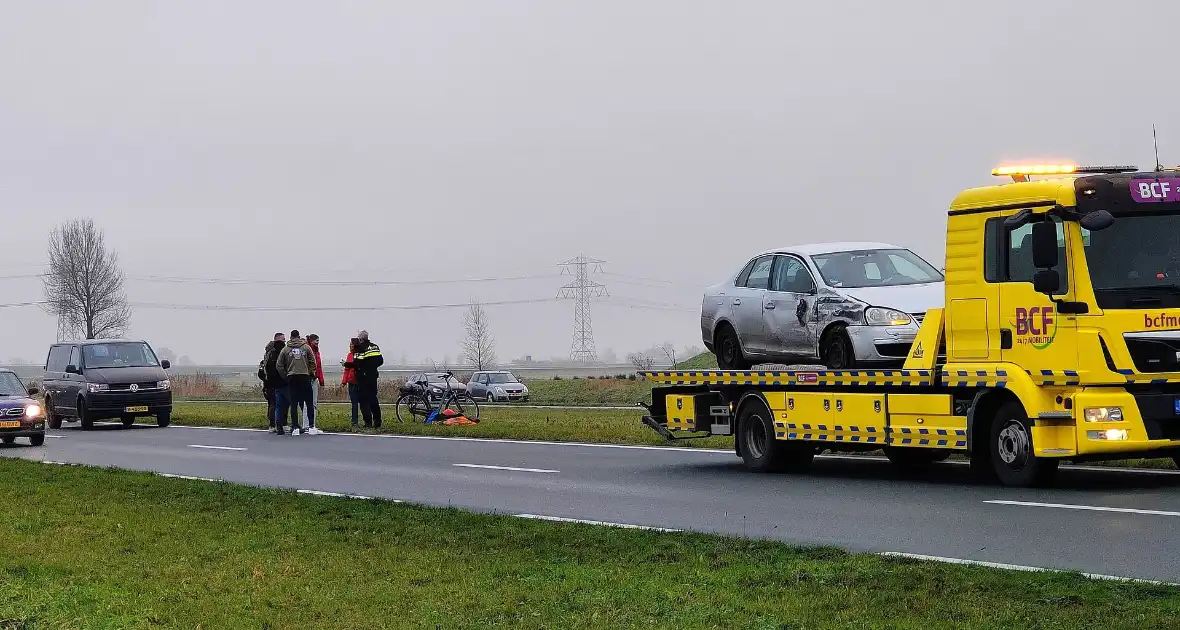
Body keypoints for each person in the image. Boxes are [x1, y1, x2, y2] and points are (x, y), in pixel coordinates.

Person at [275, 329, 319, 436]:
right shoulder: (306, 347)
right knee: (308, 402)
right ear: (299, 337)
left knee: (294, 403)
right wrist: (310, 372)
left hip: (292, 377)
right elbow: (313, 362)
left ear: (290, 337)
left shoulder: (285, 349)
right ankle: (312, 426)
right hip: (305, 377)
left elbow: (279, 365)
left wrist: (285, 376)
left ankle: (295, 427)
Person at [345, 329, 383, 428]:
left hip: (363, 378)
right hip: (373, 377)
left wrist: (345, 364)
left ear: (361, 339)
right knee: (373, 399)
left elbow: (357, 364)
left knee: (363, 401)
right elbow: (380, 361)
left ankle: (368, 422)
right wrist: (372, 368)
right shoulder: (375, 346)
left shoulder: (360, 348)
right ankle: (378, 421)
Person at [299, 333, 326, 436]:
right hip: (308, 378)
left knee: (313, 403)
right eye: (316, 340)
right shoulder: (307, 350)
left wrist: (321, 380)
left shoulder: (316, 351)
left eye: (318, 341)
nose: (317, 342)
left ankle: (312, 425)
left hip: (314, 379)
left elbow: (318, 367)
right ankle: (307, 425)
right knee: (307, 403)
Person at [259, 332, 286, 429]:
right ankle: (277, 424)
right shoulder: (276, 351)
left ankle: (272, 424)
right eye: (283, 339)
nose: (285, 341)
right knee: (277, 403)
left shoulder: (268, 351)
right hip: (275, 380)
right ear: (278, 339)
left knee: (272, 403)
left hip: (268, 381)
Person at [342, 337, 361, 429]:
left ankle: (367, 420)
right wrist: (344, 381)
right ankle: (354, 422)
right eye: (349, 344)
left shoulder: (360, 355)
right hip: (351, 382)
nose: (350, 346)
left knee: (363, 402)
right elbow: (346, 370)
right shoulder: (349, 355)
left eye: (351, 344)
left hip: (360, 382)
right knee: (354, 403)